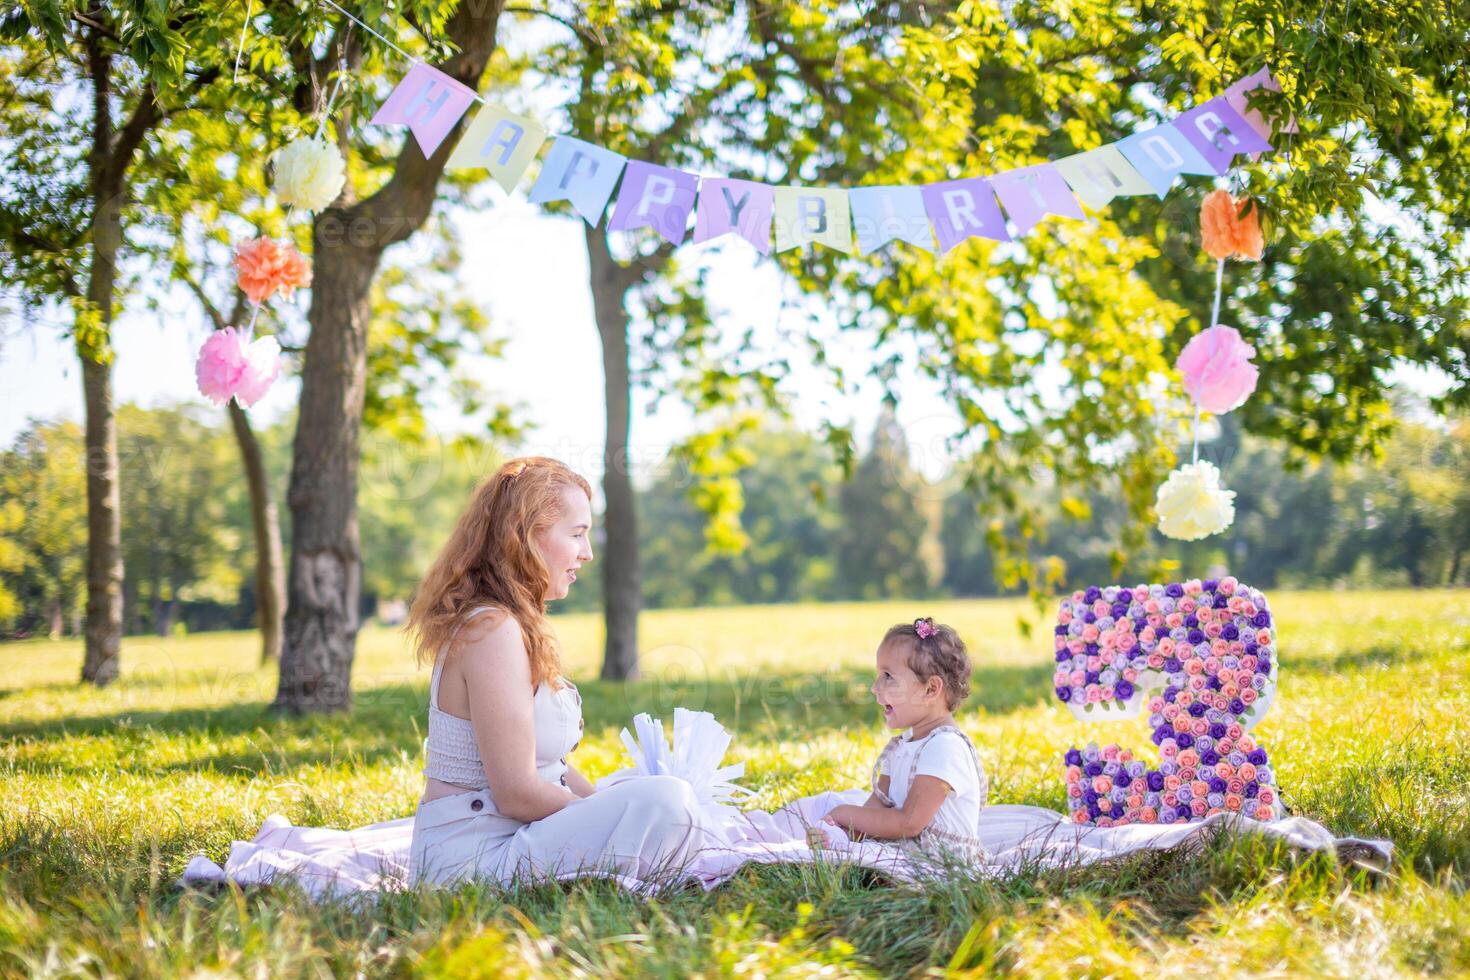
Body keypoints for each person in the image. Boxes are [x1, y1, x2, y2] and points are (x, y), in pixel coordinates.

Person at [404, 456, 705, 888]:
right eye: (577, 534)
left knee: (649, 791)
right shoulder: (491, 630)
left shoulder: (513, 623)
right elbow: (517, 793)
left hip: (511, 837)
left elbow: (553, 769)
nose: (587, 552)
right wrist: (613, 813)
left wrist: (606, 805)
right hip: (471, 860)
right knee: (667, 801)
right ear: (525, 537)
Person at [820, 617, 988, 861]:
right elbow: (877, 809)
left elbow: (909, 823)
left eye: (888, 676)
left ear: (931, 689)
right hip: (907, 852)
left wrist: (845, 813)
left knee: (869, 865)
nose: (875, 687)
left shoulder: (945, 747)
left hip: (941, 863)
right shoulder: (903, 745)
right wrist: (840, 833)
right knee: (845, 857)